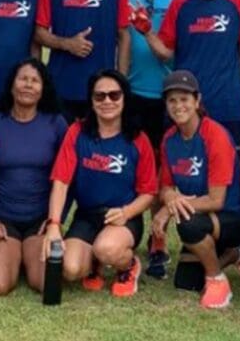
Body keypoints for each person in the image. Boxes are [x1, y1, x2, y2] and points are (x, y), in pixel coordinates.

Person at [43, 70, 157, 298]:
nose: (107, 101)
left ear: (125, 98)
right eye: (100, 96)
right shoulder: (77, 132)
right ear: (91, 101)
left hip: (122, 217)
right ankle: (94, 263)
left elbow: (149, 192)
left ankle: (128, 265)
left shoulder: (138, 139)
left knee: (107, 249)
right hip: (87, 215)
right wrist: (54, 224)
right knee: (71, 269)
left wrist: (127, 212)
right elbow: (61, 182)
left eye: (114, 95)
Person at [135, 0, 240, 147]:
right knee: (185, 166)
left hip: (227, 104)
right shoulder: (180, 2)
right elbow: (165, 53)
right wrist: (147, 31)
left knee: (228, 166)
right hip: (186, 106)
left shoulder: (236, 1)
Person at [152, 70, 240, 309]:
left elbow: (217, 200)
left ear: (197, 101)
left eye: (185, 99)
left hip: (234, 217)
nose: (179, 106)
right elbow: (164, 186)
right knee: (186, 283)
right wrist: (170, 197)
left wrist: (169, 209)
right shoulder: (169, 139)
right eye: (172, 100)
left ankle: (217, 280)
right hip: (202, 217)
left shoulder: (214, 135)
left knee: (187, 222)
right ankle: (237, 253)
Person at [0, 59, 68, 296]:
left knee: (46, 283)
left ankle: (22, 255)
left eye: (35, 80)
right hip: (1, 220)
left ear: (43, 88)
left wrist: (55, 221)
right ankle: (10, 254)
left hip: (39, 222)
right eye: (23, 79)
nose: (28, 85)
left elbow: (68, 179)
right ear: (11, 85)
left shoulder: (55, 124)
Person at [125, 0, 184, 279]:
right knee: (134, 168)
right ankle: (126, 237)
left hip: (168, 96)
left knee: (164, 170)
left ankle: (158, 241)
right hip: (132, 94)